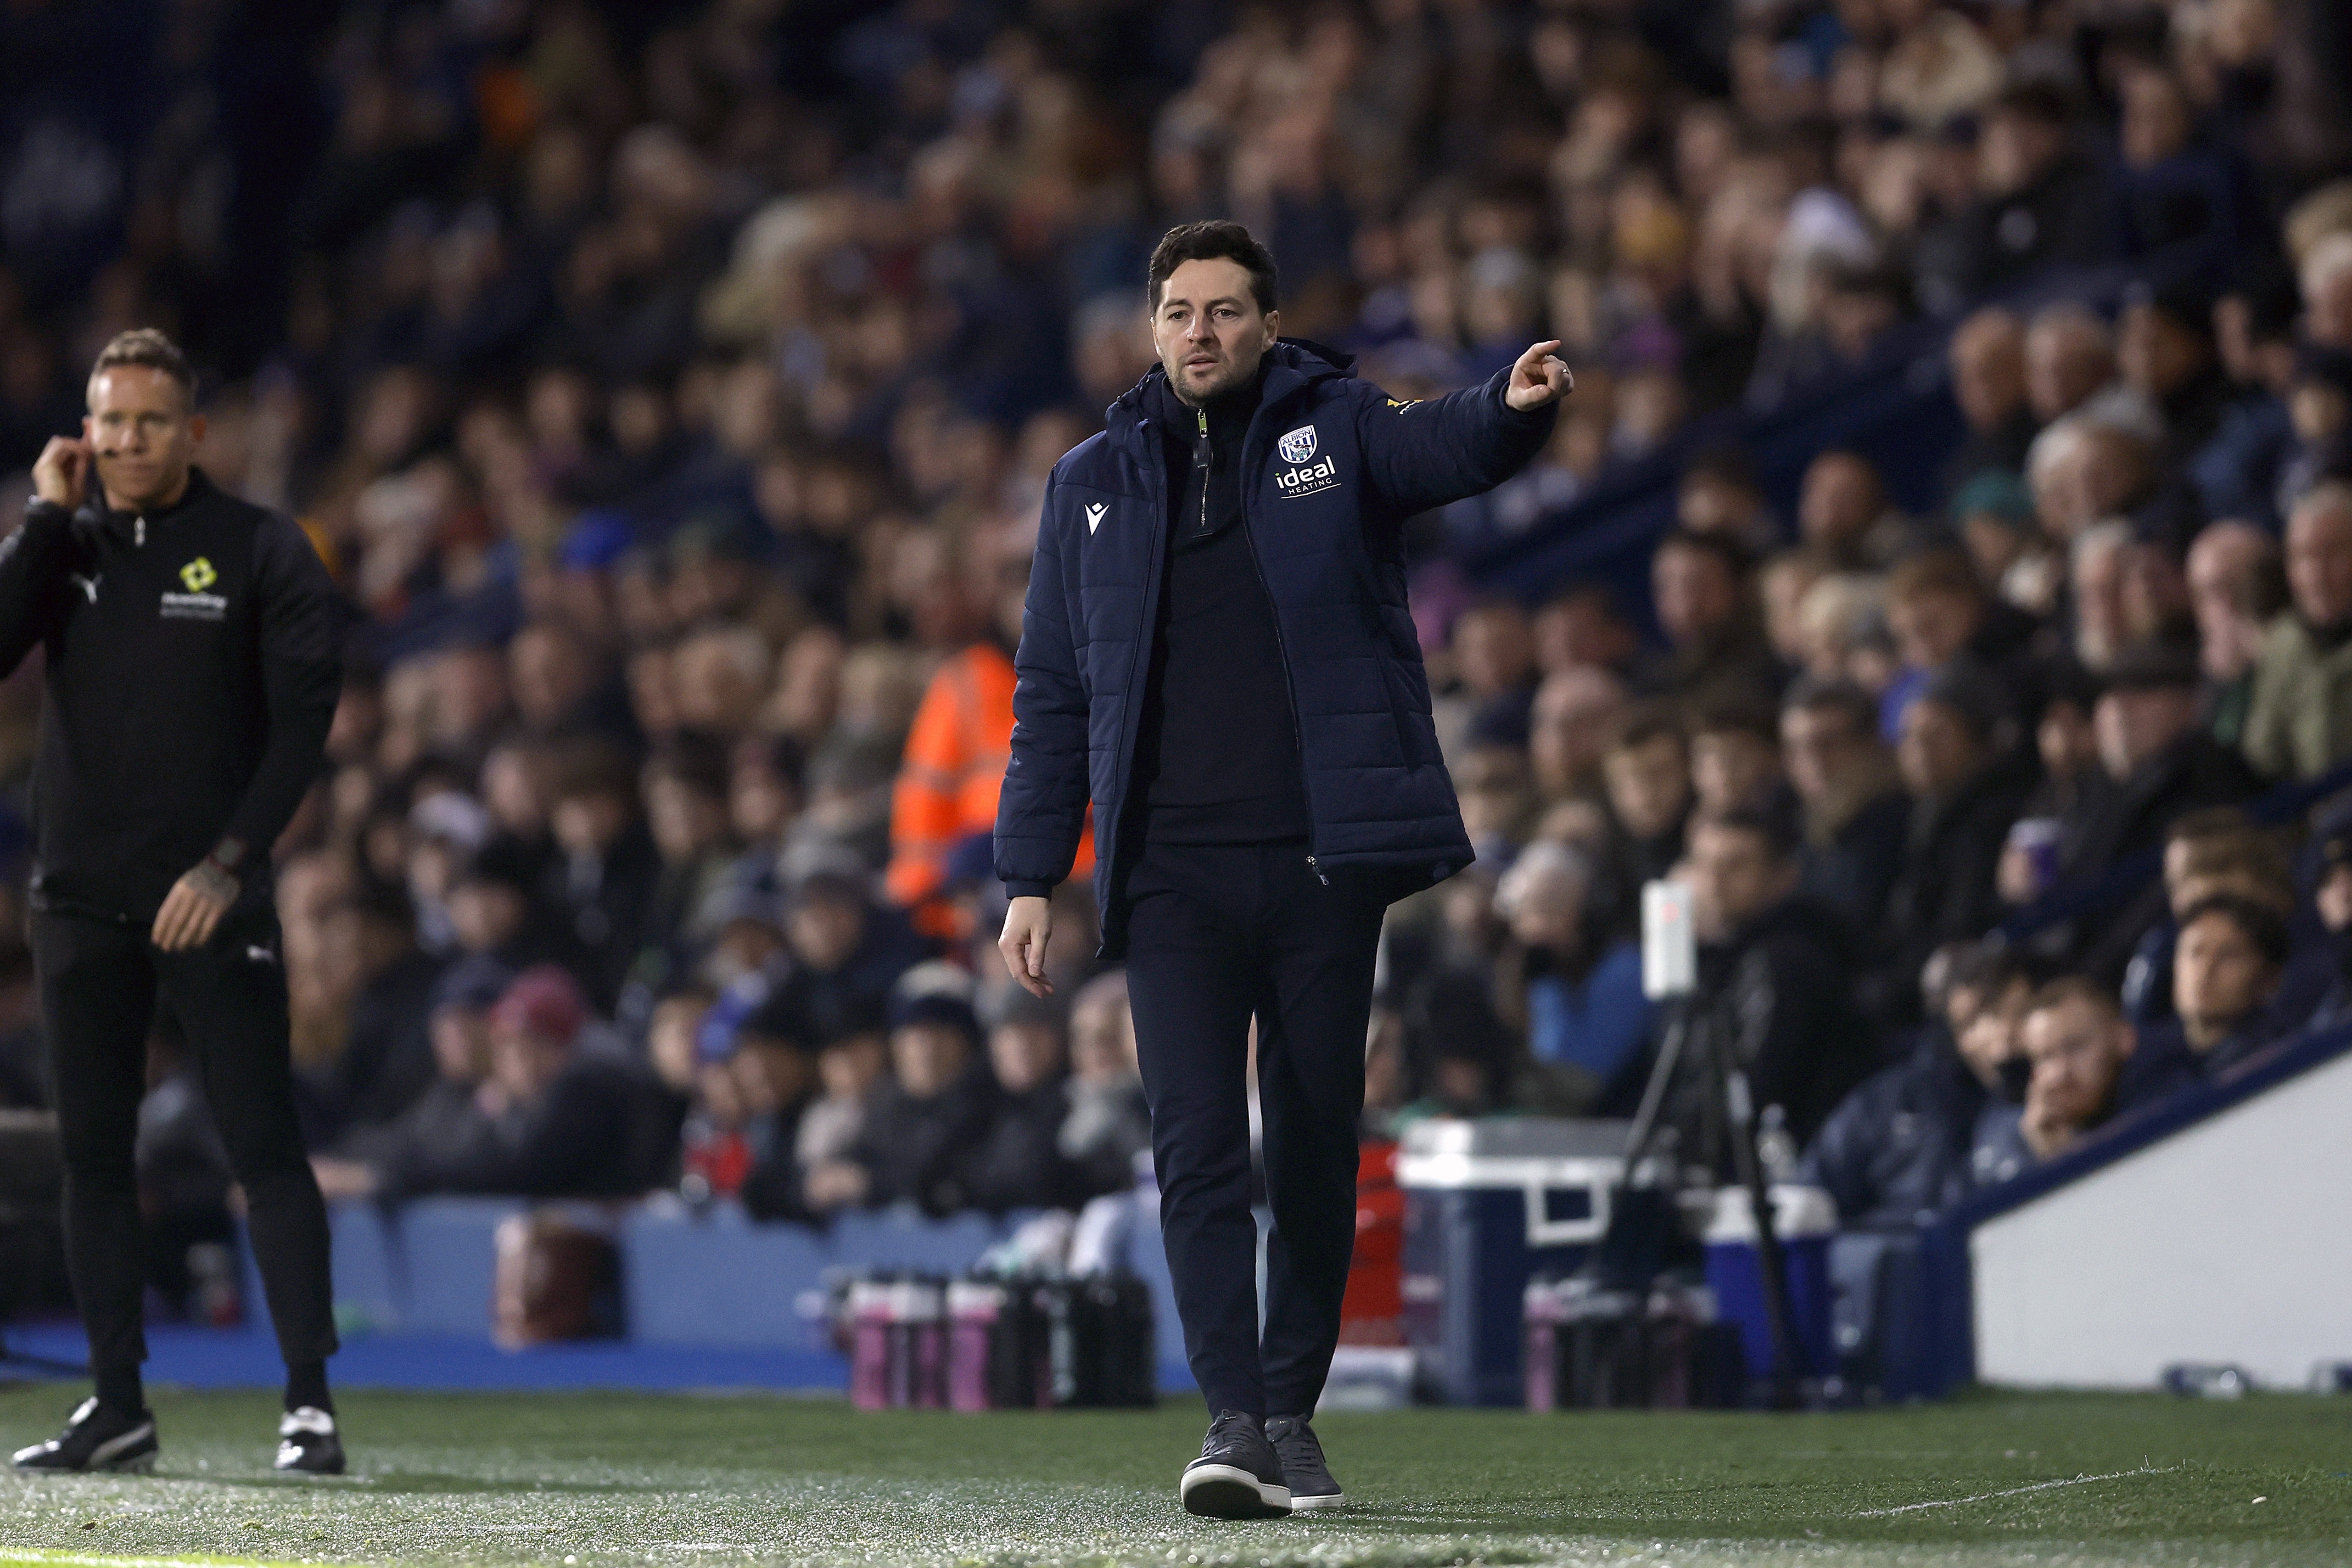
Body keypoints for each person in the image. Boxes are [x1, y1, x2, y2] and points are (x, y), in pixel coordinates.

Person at [994, 220, 1565, 1519]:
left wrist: (1512, 410)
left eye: (1228, 312)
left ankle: (1292, 1421)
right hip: (1172, 877)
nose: (1203, 333)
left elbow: (1441, 446)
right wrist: (1032, 873)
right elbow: (1054, 690)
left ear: (1267, 323)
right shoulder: (1091, 482)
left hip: (1321, 862)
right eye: (1181, 312)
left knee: (1311, 1141)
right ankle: (1233, 1420)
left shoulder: (1337, 427)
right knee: (1195, 1148)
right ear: (1151, 328)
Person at [5, 331, 346, 1477]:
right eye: (108, 421)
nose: (127, 441)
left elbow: (302, 725)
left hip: (209, 896)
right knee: (93, 1157)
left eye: (150, 422)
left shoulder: (258, 549)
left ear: (195, 431)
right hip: (78, 901)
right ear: (84, 430)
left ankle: (309, 1400)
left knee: (265, 1145)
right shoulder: (68, 545)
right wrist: (43, 521)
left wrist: (230, 862)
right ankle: (118, 1408)